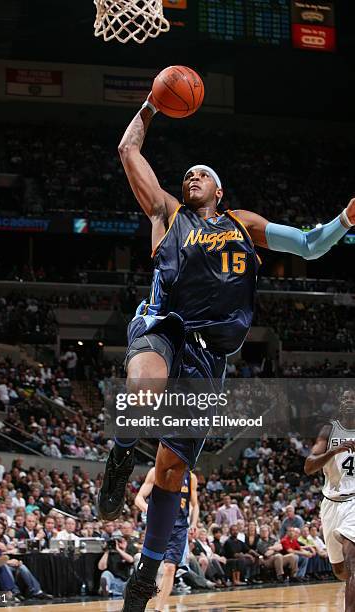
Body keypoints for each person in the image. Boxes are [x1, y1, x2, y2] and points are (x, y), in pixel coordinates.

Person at [97, 89, 355, 611]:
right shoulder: (168, 212)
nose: (191, 175)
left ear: (220, 187)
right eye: (187, 172)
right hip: (164, 323)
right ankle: (122, 453)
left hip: (210, 355)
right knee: (143, 391)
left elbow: (308, 245)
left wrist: (347, 218)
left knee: (172, 470)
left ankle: (147, 574)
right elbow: (128, 151)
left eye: (201, 172)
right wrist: (151, 103)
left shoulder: (243, 223)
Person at [305, 390, 355, 611]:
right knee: (341, 571)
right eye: (344, 398)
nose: (348, 402)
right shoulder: (329, 430)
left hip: (354, 501)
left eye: (353, 399)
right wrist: (334, 451)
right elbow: (309, 466)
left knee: (353, 563)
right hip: (331, 503)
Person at [135, 467, 199, 610]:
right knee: (151, 569)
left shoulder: (190, 477)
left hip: (179, 528)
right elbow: (138, 498)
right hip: (159, 525)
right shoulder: (156, 471)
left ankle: (158, 608)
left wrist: (194, 523)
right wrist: (147, 509)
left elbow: (195, 505)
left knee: (170, 568)